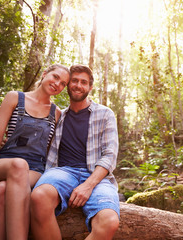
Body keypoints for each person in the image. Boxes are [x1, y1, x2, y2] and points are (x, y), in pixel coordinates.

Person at [0, 64, 70, 240]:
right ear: (45, 74)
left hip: (35, 170)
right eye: (55, 77)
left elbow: (49, 151)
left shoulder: (57, 114)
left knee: (1, 191)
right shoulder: (14, 98)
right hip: (2, 164)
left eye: (63, 84)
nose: (57, 84)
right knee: (18, 164)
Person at [30, 64, 120, 240]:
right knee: (39, 197)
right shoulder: (58, 116)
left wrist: (88, 185)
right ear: (67, 85)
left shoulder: (105, 114)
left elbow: (110, 156)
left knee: (109, 221)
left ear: (90, 87)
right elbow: (37, 140)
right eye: (75, 81)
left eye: (84, 82)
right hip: (62, 172)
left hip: (97, 177)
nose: (79, 85)